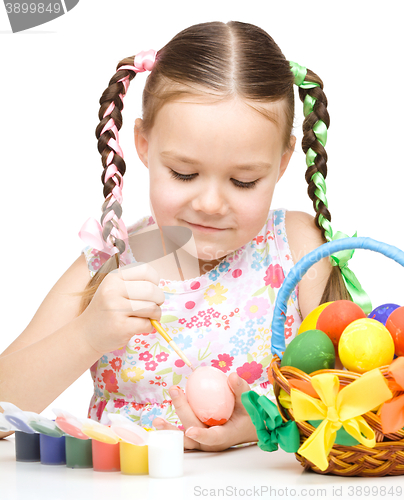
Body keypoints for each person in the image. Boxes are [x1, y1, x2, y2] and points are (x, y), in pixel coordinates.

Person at [0, 20, 362, 451]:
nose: (210, 203)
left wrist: (260, 425)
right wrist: (86, 336)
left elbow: (366, 396)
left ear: (282, 163)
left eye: (243, 180)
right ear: (144, 145)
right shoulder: (112, 262)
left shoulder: (297, 249)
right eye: (184, 173)